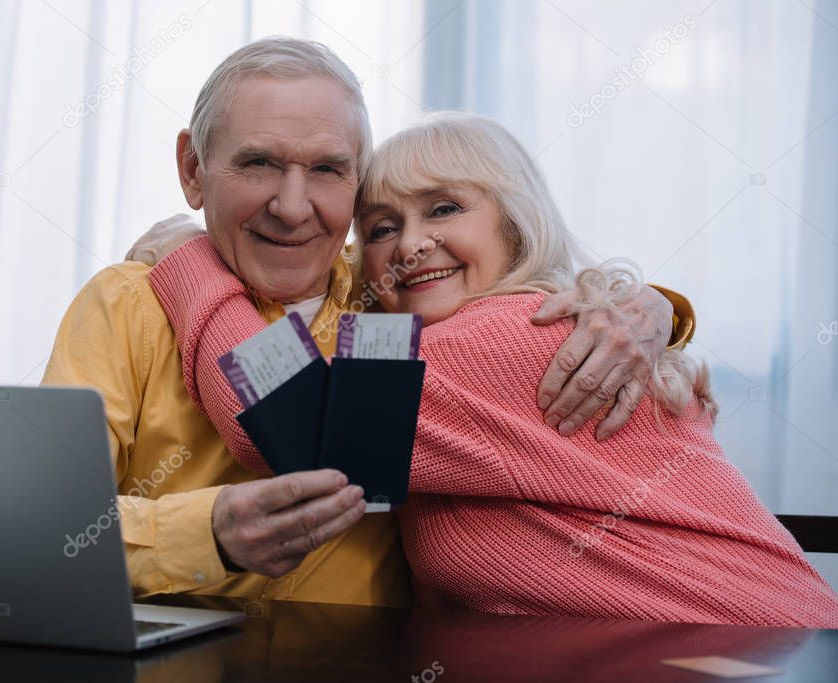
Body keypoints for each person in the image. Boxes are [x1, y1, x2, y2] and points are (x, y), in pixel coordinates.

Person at [44, 37, 688, 607]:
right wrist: (202, 534)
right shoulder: (128, 305)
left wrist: (654, 308)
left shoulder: (397, 301)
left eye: (326, 169)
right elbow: (43, 538)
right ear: (192, 171)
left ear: (357, 179)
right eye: (259, 163)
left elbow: (513, 299)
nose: (293, 208)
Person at [146, 112, 838, 627]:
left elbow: (294, 428)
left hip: (750, 651)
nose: (411, 243)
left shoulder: (509, 333)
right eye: (382, 227)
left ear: (513, 220)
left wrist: (194, 264)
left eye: (443, 208)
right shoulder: (456, 346)